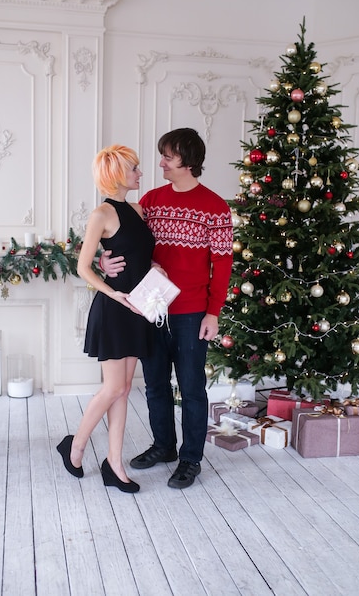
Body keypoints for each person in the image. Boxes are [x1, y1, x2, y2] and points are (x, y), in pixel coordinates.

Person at [102, 128, 233, 489]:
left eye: (168, 156)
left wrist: (214, 312)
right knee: (156, 384)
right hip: (151, 307)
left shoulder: (216, 207)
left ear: (188, 161)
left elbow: (222, 264)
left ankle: (191, 458)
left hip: (192, 312)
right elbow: (124, 240)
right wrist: (104, 261)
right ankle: (164, 446)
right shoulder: (152, 200)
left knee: (191, 387)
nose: (160, 162)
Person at [57, 144, 155, 493]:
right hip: (115, 308)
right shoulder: (101, 213)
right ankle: (76, 446)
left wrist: (154, 273)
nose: (140, 173)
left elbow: (141, 257)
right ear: (117, 174)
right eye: (134, 169)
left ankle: (114, 463)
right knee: (114, 386)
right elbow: (83, 266)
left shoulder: (138, 210)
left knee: (125, 388)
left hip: (138, 309)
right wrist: (114, 292)